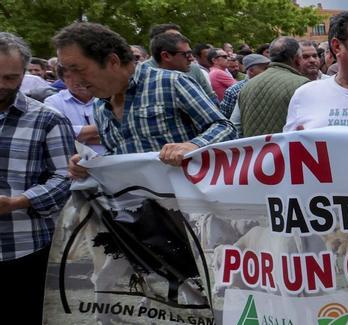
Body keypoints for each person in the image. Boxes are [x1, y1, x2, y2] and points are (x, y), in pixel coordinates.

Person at [55, 22, 235, 175]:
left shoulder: (171, 82)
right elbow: (120, 153)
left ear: (113, 61)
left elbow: (225, 128)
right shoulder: (100, 105)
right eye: (66, 71)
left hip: (194, 207)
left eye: (78, 69)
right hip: (141, 212)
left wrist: (194, 146)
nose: (74, 80)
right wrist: (91, 165)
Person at [0, 32, 75, 324]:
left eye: (10, 78)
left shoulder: (48, 118)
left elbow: (65, 177)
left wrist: (19, 201)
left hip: (24, 247)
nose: (1, 86)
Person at [239, 37, 315, 137]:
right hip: (287, 151)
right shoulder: (302, 85)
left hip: (257, 151)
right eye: (303, 57)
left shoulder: (247, 86)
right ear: (296, 59)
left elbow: (239, 127)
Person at [143, 24, 217, 101]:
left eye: (180, 37)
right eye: (173, 38)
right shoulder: (142, 72)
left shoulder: (193, 68)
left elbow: (211, 97)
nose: (180, 40)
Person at [44, 64, 104, 155]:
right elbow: (57, 133)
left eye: (82, 75)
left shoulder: (107, 97)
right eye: (69, 77)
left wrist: (78, 137)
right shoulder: (53, 102)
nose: (77, 81)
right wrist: (104, 127)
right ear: (62, 80)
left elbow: (122, 132)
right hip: (73, 161)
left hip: (110, 159)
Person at [219, 53, 268, 123]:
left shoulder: (272, 85)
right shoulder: (233, 91)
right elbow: (225, 118)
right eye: (265, 68)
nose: (269, 71)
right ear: (251, 71)